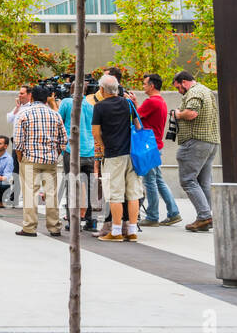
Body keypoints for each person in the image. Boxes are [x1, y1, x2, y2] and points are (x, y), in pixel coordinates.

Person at [92, 74, 143, 241]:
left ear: (101, 89)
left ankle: (115, 231)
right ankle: (132, 230)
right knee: (133, 193)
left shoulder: (99, 107)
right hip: (132, 154)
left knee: (115, 194)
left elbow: (95, 132)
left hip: (113, 155)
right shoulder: (127, 103)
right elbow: (138, 125)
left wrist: (104, 145)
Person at [11, 84, 67, 237]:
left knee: (30, 194)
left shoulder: (24, 114)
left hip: (30, 159)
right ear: (47, 98)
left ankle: (29, 227)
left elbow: (18, 141)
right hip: (50, 160)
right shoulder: (55, 115)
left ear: (32, 97)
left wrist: (20, 157)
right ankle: (54, 227)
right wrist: (56, 153)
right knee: (51, 194)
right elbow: (64, 139)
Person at [173, 70, 220, 232]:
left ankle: (204, 216)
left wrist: (178, 114)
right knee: (203, 182)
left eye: (178, 88)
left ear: (184, 82)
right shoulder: (206, 91)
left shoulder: (194, 92)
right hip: (211, 142)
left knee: (188, 180)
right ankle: (205, 217)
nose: (179, 92)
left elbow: (192, 113)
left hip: (196, 142)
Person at [137, 73, 182, 226]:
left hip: (149, 146)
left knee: (149, 182)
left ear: (152, 86)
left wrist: (131, 103)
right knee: (158, 180)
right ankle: (173, 212)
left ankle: (152, 216)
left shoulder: (151, 102)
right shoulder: (161, 101)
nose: (143, 86)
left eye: (144, 84)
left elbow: (135, 116)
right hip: (156, 145)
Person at [58, 87, 97, 230]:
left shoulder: (67, 102)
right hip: (90, 150)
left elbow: (59, 122)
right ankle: (90, 220)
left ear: (71, 89)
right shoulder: (91, 104)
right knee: (90, 187)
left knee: (72, 187)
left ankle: (73, 222)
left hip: (72, 150)